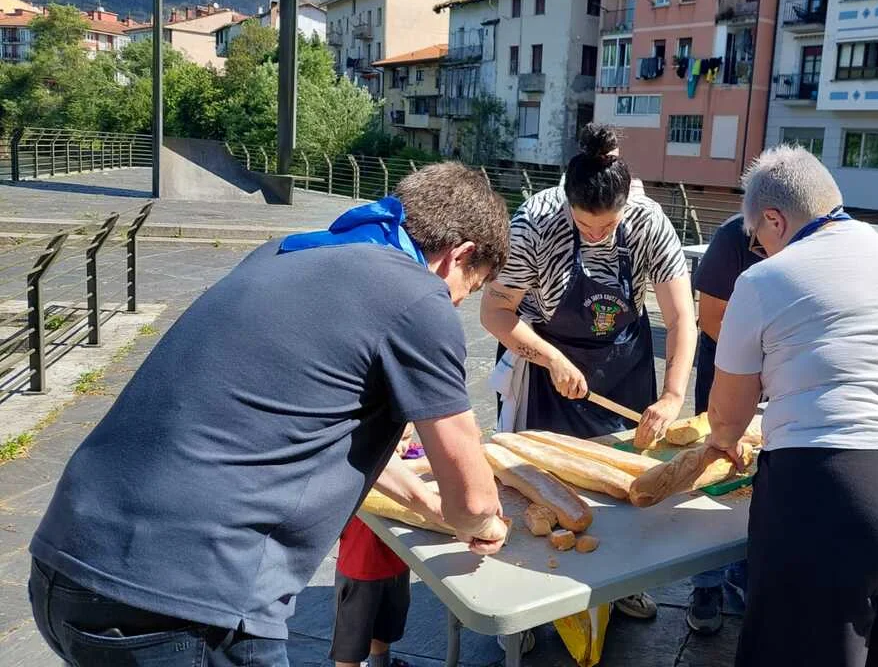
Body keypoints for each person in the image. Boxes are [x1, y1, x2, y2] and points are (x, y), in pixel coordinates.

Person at [28, 163, 511, 666]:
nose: (458, 301)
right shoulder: (416, 294)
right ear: (460, 255)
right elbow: (474, 498)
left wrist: (428, 505)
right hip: (186, 604)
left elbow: (308, 432)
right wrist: (483, 523)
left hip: (66, 565)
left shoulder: (289, 251)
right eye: (470, 287)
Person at [706, 145, 878, 667]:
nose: (761, 249)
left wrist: (723, 442)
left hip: (841, 491)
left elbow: (726, 418)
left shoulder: (764, 279)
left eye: (759, 237)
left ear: (774, 218)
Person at [481, 123, 697, 622]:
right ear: (568, 202)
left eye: (608, 226)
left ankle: (621, 583)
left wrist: (672, 395)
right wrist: (552, 359)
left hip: (623, 362)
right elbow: (495, 313)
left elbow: (682, 318)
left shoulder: (648, 221)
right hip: (544, 357)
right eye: (584, 225)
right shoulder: (535, 222)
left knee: (622, 479)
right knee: (538, 484)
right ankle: (526, 602)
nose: (596, 236)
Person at [685, 213, 763, 635]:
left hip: (780, 375)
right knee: (717, 476)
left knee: (760, 480)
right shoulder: (734, 236)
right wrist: (755, 369)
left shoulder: (813, 237)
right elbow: (711, 317)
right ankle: (707, 584)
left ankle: (746, 573)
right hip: (728, 369)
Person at [332, 425, 420, 667]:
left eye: (406, 438)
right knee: (350, 645)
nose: (401, 447)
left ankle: (380, 664)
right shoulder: (357, 466)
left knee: (384, 630)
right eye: (395, 440)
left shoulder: (407, 458)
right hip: (360, 571)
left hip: (396, 565)